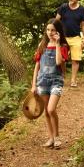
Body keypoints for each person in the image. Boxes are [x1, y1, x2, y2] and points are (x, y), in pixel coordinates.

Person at [31, 19, 70, 149]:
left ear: (58, 31)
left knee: (51, 109)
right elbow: (37, 66)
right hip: (42, 82)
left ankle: (57, 137)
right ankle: (51, 138)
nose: (50, 32)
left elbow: (59, 62)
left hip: (56, 81)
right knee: (46, 112)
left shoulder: (63, 45)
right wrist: (33, 85)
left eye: (53, 30)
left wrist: (58, 43)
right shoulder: (42, 45)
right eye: (48, 30)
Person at [55, 0, 84, 87]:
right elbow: (56, 21)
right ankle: (63, 75)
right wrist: (55, 34)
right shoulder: (63, 7)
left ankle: (73, 80)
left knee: (75, 60)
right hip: (64, 38)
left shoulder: (82, 9)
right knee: (62, 59)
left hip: (76, 37)